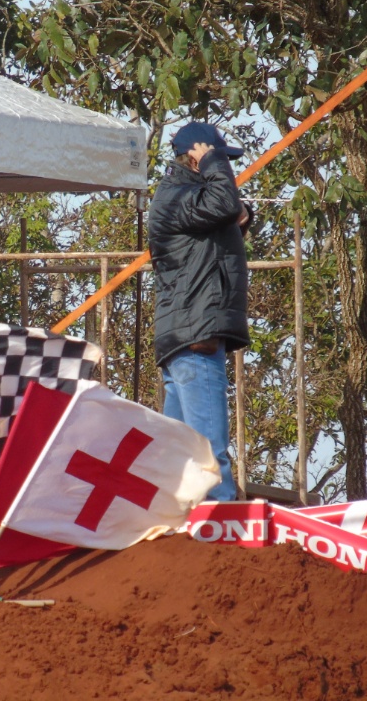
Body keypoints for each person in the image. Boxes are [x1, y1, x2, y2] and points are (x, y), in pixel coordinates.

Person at [147, 122, 254, 502]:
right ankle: (221, 531)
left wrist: (240, 217)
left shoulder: (184, 197)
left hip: (189, 334)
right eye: (217, 158)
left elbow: (229, 216)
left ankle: (179, 536)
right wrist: (211, 158)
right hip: (197, 336)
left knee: (180, 455)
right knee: (209, 451)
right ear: (195, 158)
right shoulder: (177, 195)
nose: (224, 167)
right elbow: (225, 204)